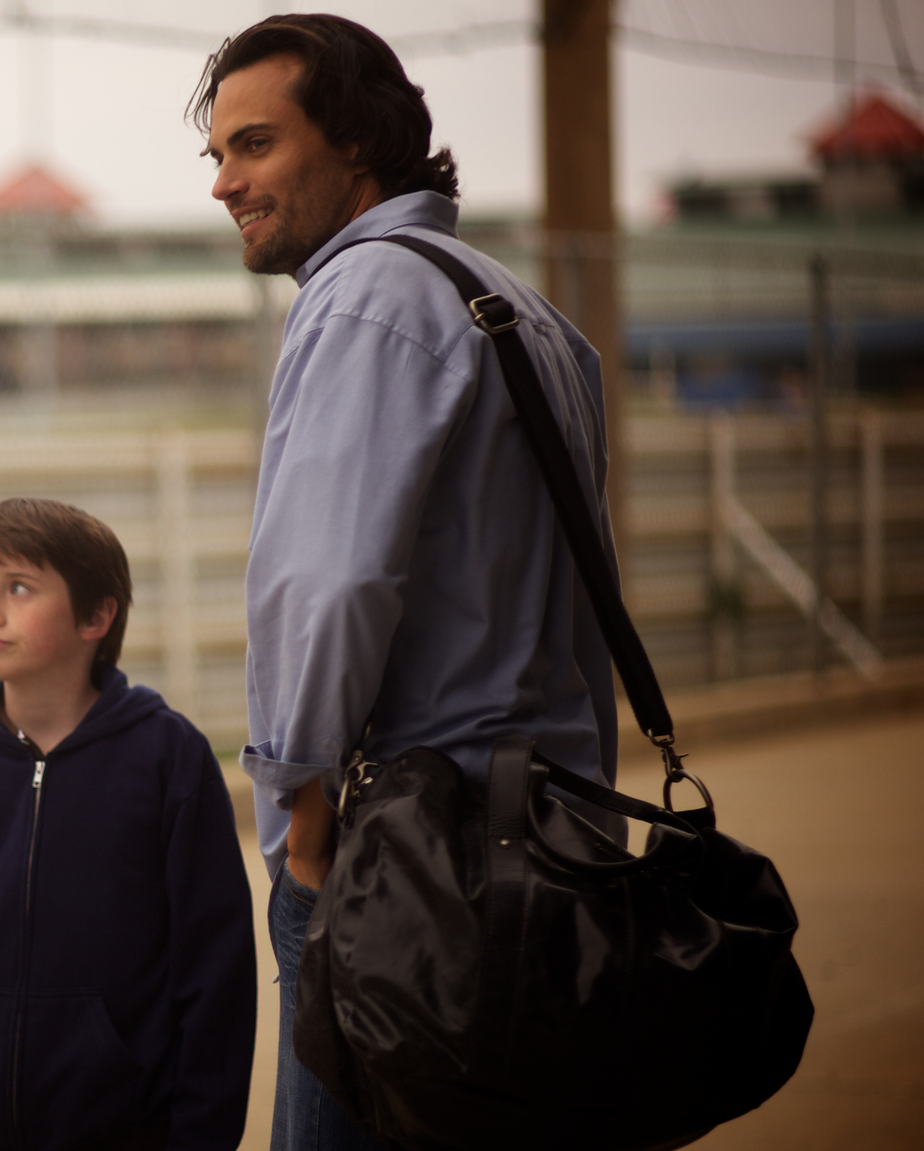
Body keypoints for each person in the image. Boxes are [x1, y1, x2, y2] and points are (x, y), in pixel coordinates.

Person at [192, 15, 625, 1151]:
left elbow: (326, 585)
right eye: (217, 157)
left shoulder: (363, 298)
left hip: (404, 855)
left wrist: (298, 814)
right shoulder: (523, 308)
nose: (225, 182)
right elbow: (586, 604)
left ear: (355, 143)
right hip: (547, 830)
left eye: (252, 145)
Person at [0, 498, 257, 1151]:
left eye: (19, 587)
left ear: (97, 615)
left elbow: (216, 975)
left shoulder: (167, 759)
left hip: (131, 1132)